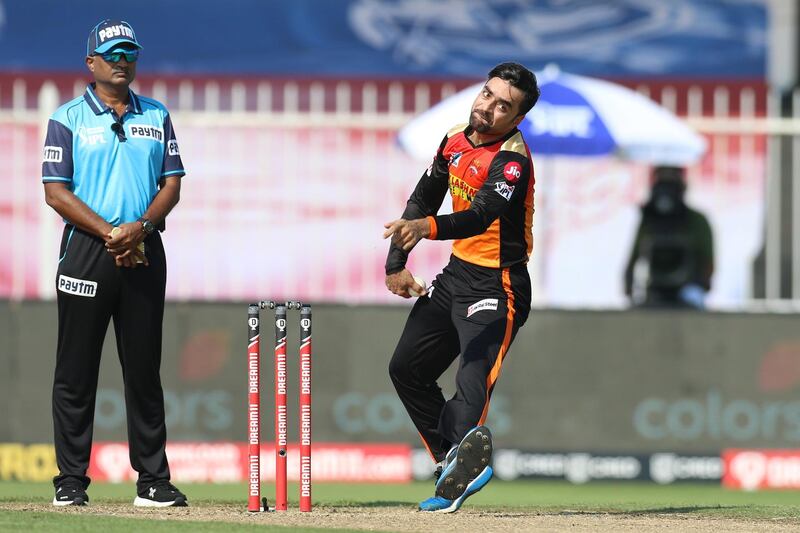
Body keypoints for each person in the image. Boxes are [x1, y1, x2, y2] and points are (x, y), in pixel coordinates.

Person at [42, 19, 187, 507]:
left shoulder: (157, 114)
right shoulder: (67, 118)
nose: (122, 61)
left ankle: (152, 480)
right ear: (92, 63)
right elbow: (55, 193)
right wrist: (111, 233)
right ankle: (71, 481)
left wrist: (140, 229)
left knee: (143, 369)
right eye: (112, 53)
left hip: (144, 248)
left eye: (129, 53)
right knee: (76, 370)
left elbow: (172, 184)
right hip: (88, 251)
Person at [383, 62, 539, 513]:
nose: (487, 107)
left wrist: (425, 228)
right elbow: (422, 198)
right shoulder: (454, 139)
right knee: (407, 369)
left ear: (517, 119)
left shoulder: (513, 162)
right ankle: (454, 460)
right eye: (487, 94)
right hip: (456, 276)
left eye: (502, 105)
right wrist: (396, 263)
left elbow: (479, 216)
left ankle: (456, 472)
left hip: (499, 281)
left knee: (472, 378)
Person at [624, 166, 714, 309]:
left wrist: (700, 285)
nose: (666, 190)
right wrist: (629, 291)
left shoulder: (696, 221)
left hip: (688, 291)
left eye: (671, 181)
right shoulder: (649, 222)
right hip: (654, 292)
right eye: (662, 181)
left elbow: (708, 261)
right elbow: (633, 258)